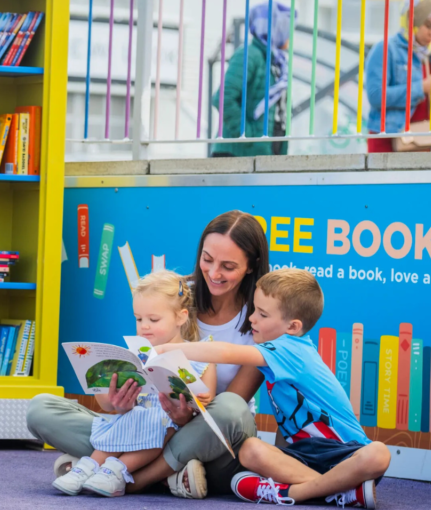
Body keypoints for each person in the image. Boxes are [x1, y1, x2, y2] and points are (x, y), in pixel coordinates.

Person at [27, 210, 269, 499]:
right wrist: (117, 404)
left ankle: (125, 476)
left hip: (208, 433)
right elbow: (133, 376)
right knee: (40, 409)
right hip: (145, 425)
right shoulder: (172, 292)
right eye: (207, 259)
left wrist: (181, 419)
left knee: (230, 409)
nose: (214, 273)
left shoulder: (261, 318)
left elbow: (230, 406)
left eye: (228, 266)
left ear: (252, 266)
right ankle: (168, 474)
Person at [155, 268, 391, 507]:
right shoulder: (278, 356)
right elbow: (288, 426)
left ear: (292, 326)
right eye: (254, 310)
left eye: (262, 314)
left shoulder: (291, 349)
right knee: (250, 451)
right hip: (304, 458)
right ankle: (336, 493)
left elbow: (226, 352)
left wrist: (169, 349)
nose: (252, 318)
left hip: (344, 454)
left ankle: (295, 492)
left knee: (378, 453)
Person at [52, 271, 217, 497]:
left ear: (181, 317)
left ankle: (116, 470)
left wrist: (201, 400)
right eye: (139, 319)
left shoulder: (200, 355)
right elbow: (109, 406)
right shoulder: (133, 355)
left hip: (173, 430)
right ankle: (88, 467)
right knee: (126, 419)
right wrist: (118, 403)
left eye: (154, 319)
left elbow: (207, 400)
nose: (144, 326)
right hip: (133, 422)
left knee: (152, 420)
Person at [365, 0, 431, 153]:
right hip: (388, 142)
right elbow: (375, 96)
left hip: (424, 142)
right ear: (413, 22)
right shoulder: (386, 49)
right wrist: (421, 88)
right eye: (428, 25)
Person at [211, 2, 294, 157]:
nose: (290, 36)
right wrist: (248, 136)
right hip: (236, 156)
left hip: (266, 155)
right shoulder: (250, 54)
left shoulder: (277, 63)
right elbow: (223, 98)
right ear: (275, 30)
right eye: (286, 30)